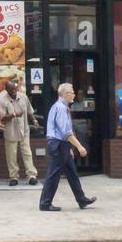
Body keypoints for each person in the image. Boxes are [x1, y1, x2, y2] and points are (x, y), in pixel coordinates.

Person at [39, 83, 96, 212]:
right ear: (65, 94)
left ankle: (81, 200)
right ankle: (45, 203)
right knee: (53, 175)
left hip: (62, 144)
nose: (74, 95)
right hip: (58, 144)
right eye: (72, 92)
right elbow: (66, 132)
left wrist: (69, 148)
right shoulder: (60, 108)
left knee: (72, 173)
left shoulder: (61, 107)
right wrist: (80, 147)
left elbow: (64, 133)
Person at [0, 76, 37, 186]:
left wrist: (34, 120)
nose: (15, 91)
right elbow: (2, 118)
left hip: (24, 131)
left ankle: (31, 176)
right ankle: (14, 177)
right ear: (7, 90)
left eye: (16, 89)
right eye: (12, 90)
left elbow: (29, 111)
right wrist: (14, 115)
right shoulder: (3, 101)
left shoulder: (23, 97)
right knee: (11, 156)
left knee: (27, 153)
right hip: (11, 132)